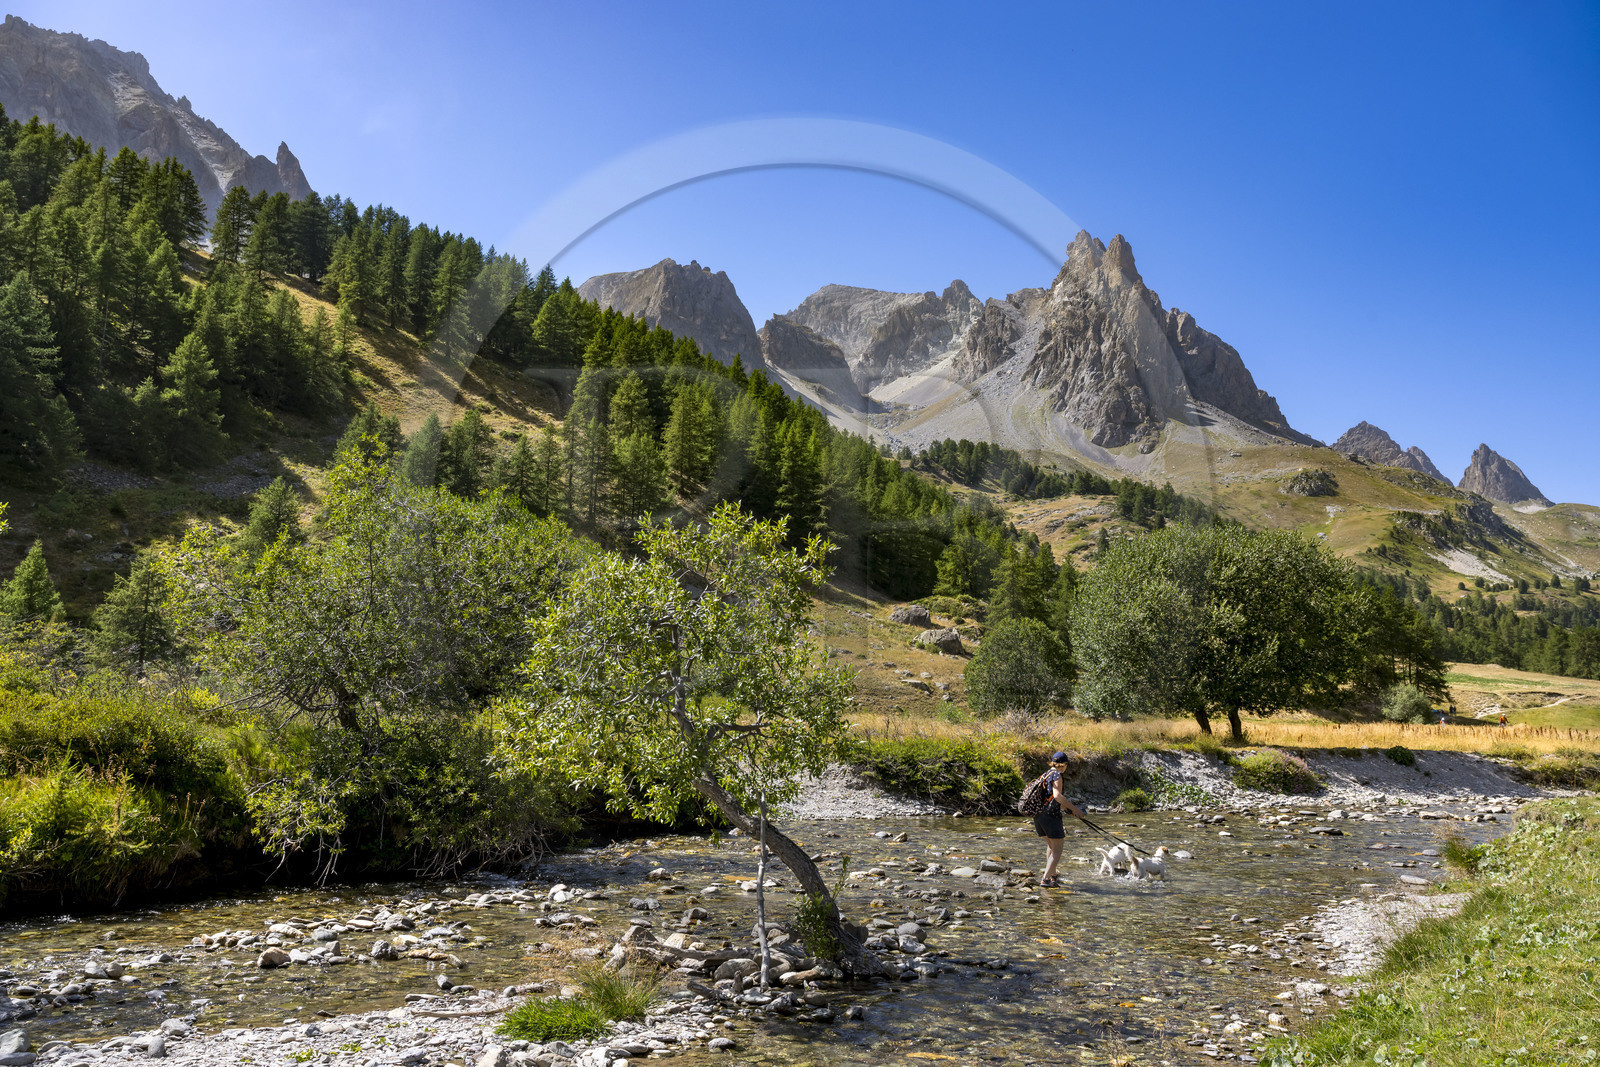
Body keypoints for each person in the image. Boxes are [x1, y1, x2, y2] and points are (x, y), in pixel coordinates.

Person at [1035, 751, 1085, 888]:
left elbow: (1050, 798)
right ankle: (1045, 879)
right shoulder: (1057, 775)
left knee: (1051, 846)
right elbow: (1057, 796)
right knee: (1057, 850)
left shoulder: (1045, 775)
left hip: (1038, 816)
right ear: (1064, 764)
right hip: (1051, 817)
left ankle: (1052, 875)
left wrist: (1067, 809)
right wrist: (1075, 809)